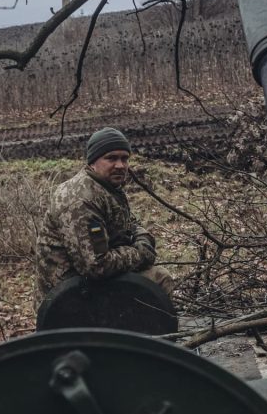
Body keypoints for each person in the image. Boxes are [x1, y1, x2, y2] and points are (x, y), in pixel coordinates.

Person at [36, 127, 174, 299]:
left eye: (125, 159)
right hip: (70, 297)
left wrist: (143, 239)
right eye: (111, 158)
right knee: (159, 279)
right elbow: (97, 266)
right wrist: (140, 253)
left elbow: (130, 225)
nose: (120, 165)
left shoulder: (105, 188)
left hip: (88, 285)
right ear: (93, 161)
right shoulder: (80, 200)